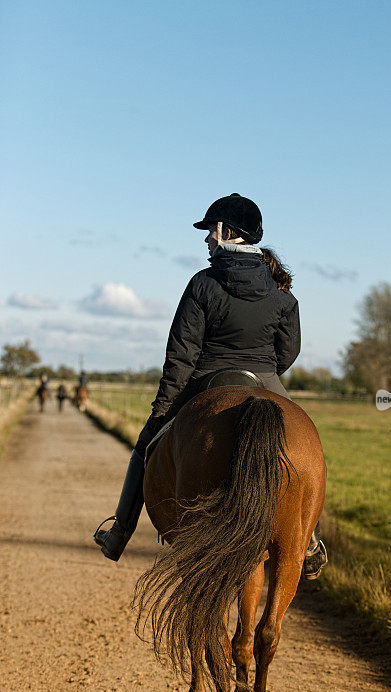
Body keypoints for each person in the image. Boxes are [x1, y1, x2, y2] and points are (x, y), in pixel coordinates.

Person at [93, 193, 327, 579]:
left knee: (146, 445)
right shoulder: (282, 293)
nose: (206, 240)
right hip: (266, 379)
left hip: (207, 379)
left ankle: (119, 532)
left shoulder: (202, 284)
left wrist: (162, 408)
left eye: (209, 232)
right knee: (308, 448)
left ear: (227, 232)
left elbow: (181, 356)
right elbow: (288, 353)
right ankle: (311, 541)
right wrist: (263, 374)